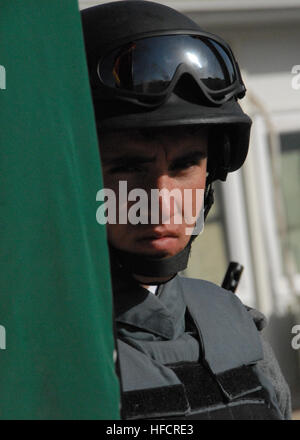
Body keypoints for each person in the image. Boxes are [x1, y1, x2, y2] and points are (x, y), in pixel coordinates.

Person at [81, 1, 292, 420]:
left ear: (210, 176)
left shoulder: (238, 329)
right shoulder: (36, 350)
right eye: (128, 167)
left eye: (183, 165)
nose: (160, 199)